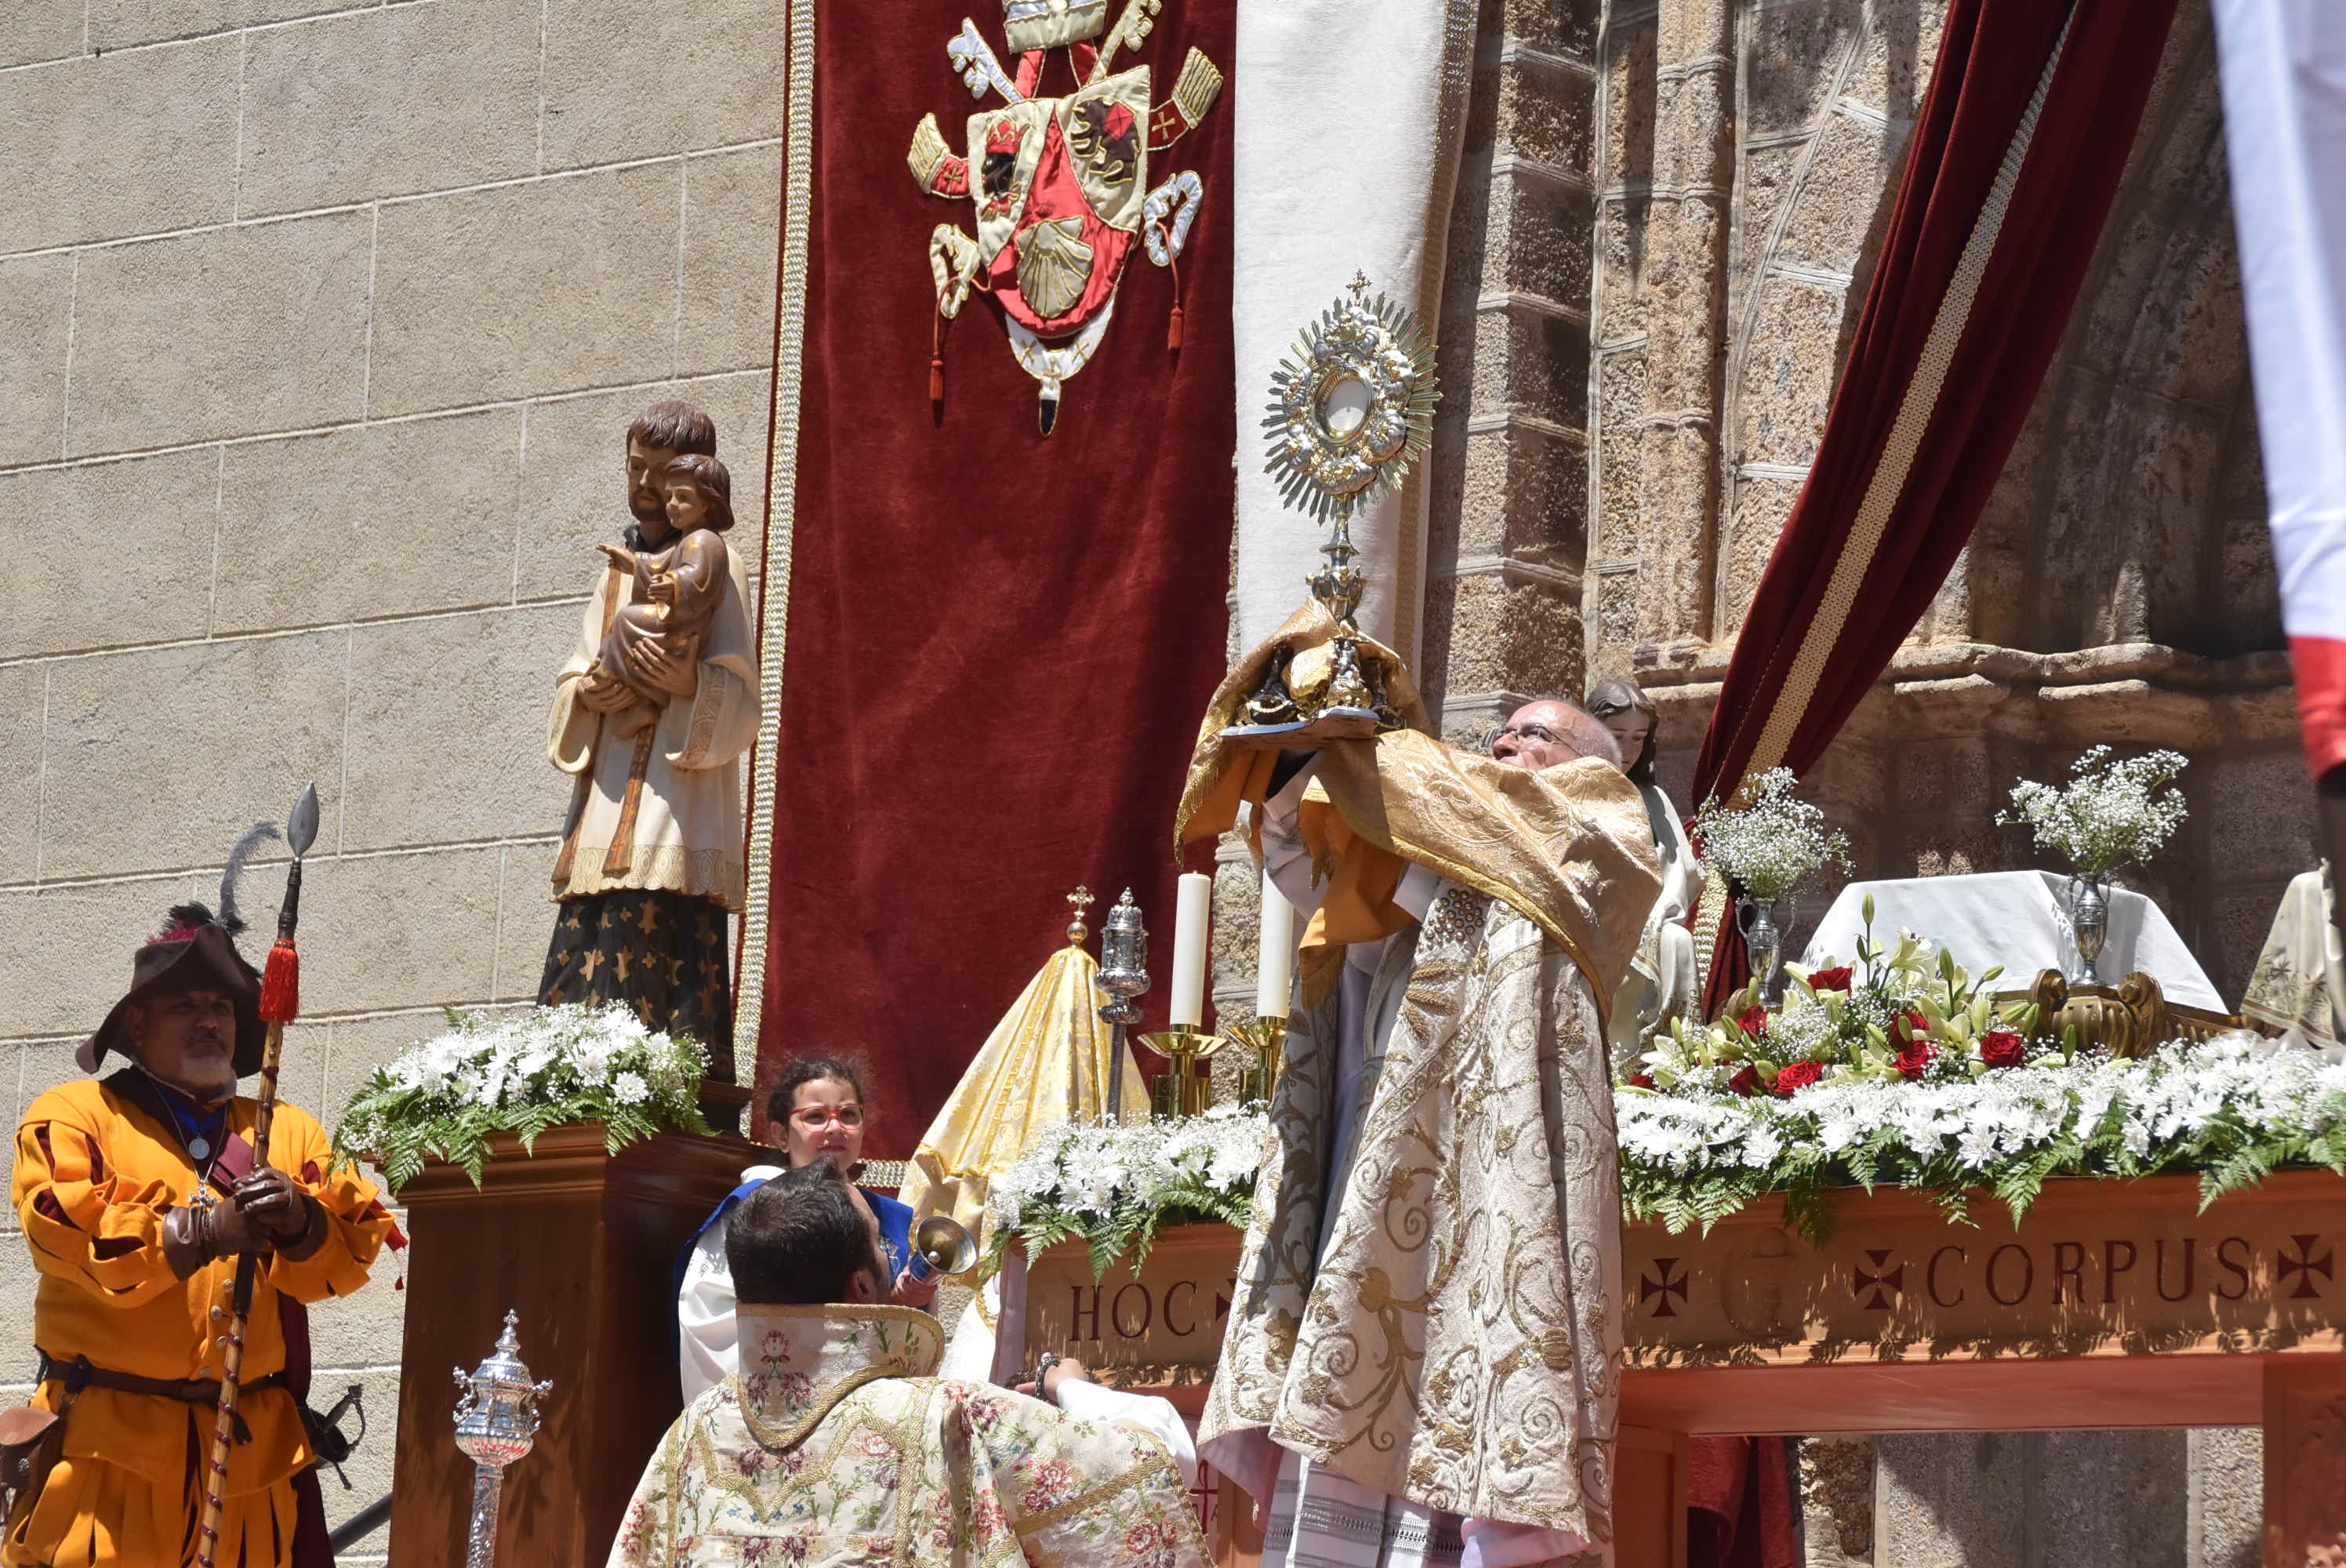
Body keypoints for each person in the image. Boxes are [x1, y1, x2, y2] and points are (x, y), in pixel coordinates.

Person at [1176, 604, 1661, 1568]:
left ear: (1590, 760)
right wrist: (1294, 770)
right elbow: (1331, 880)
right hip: (1392, 1144)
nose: (1503, 742)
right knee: (1366, 1346)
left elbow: (1458, 816)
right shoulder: (1447, 832)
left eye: (1535, 732)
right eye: (1500, 728)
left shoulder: (1601, 821)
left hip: (1498, 1162)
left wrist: (1366, 745)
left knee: (1480, 1346)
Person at [7, 899, 394, 1568]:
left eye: (220, 1007)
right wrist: (211, 1229)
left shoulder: (285, 1129)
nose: (210, 1020)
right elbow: (63, 1231)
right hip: (106, 1461)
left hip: (245, 1469)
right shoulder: (75, 1114)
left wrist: (301, 1223)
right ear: (137, 1022)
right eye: (186, 1005)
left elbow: (351, 1252)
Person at [612, 1160, 1209, 1567]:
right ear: (862, 1287)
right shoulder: (949, 1416)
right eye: (881, 1242)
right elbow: (1150, 1464)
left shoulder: (694, 1430)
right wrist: (1072, 1390)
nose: (891, 1251)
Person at [542, 401, 759, 1074]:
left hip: (675, 799)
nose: (644, 486)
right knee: (588, 934)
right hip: (606, 795)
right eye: (635, 468)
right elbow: (576, 668)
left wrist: (688, 688)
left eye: (662, 475)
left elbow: (743, 695)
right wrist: (585, 695)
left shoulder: (719, 564)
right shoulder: (617, 566)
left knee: (662, 932)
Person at [675, 1057, 939, 1403]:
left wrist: (909, 1302)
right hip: (781, 1403)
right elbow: (711, 1322)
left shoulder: (883, 1217)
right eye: (816, 1117)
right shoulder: (752, 1212)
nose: (834, 1128)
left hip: (873, 1404)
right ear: (781, 1135)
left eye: (848, 1115)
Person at [1585, 679, 1708, 1076]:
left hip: (1649, 922)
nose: (1628, 749)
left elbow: (1679, 870)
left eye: (1639, 737)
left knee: (1677, 940)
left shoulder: (1652, 798)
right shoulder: (1569, 788)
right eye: (1616, 735)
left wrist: (1653, 918)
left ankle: (1669, 1064)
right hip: (1589, 921)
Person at [589, 454, 737, 742]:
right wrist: (632, 563)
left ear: (706, 502)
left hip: (683, 628)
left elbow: (696, 576)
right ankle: (641, 701)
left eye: (682, 497)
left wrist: (673, 586)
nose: (670, 504)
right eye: (635, 466)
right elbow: (659, 564)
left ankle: (608, 675)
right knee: (627, 623)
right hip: (674, 625)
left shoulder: (706, 542)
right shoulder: (689, 539)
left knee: (626, 620)